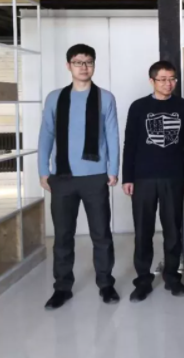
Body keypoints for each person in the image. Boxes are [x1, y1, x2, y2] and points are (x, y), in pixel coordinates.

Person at [39, 44, 120, 309]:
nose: (83, 67)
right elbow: (46, 134)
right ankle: (62, 288)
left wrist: (113, 169)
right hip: (62, 176)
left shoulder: (105, 98)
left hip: (95, 176)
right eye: (78, 62)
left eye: (88, 62)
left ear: (94, 65)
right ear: (68, 66)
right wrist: (43, 170)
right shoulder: (55, 98)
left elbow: (112, 135)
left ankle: (106, 284)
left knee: (101, 234)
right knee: (63, 236)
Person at [122, 61, 184, 302]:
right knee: (143, 230)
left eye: (172, 79)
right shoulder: (139, 107)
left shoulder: (183, 106)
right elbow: (130, 143)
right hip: (143, 177)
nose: (168, 83)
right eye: (162, 79)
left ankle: (172, 277)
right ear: (151, 81)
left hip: (173, 176)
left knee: (173, 229)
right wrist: (127, 177)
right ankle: (143, 280)